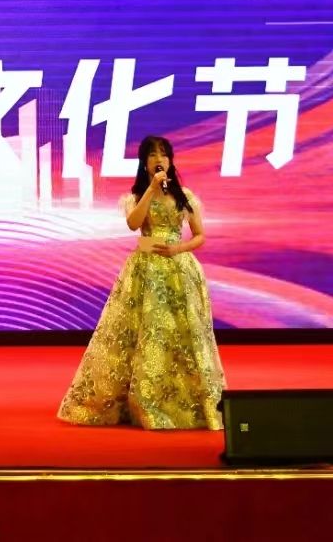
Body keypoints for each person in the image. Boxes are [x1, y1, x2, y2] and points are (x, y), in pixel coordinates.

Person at [58, 135, 225, 430]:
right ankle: (144, 400)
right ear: (144, 163)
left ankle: (184, 402)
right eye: (152, 155)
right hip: (145, 269)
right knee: (146, 333)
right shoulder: (136, 196)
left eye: (164, 154)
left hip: (179, 270)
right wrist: (151, 189)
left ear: (170, 160)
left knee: (182, 334)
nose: (159, 159)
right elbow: (134, 224)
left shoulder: (184, 196)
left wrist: (177, 248)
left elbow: (199, 235)